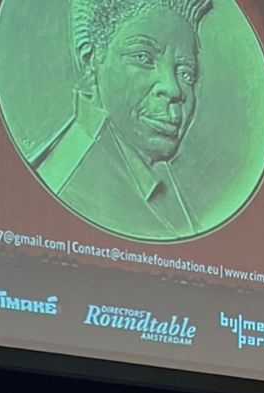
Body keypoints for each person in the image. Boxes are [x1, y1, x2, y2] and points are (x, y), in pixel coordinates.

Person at [40, 0, 212, 239]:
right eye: (143, 58)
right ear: (90, 61)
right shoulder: (68, 184)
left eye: (185, 73)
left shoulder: (160, 180)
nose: (173, 89)